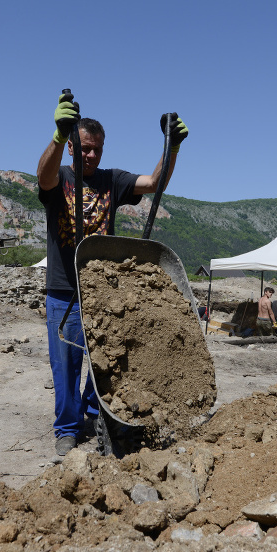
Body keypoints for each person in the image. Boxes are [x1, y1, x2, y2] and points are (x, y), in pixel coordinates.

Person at [37, 90, 188, 456]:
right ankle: (67, 429)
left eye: (97, 149)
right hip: (63, 291)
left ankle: (95, 410)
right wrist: (59, 135)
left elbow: (153, 185)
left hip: (103, 292)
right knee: (67, 366)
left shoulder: (110, 180)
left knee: (109, 362)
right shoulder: (60, 177)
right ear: (74, 147)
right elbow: (43, 178)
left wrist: (173, 148)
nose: (91, 155)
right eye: (85, 147)